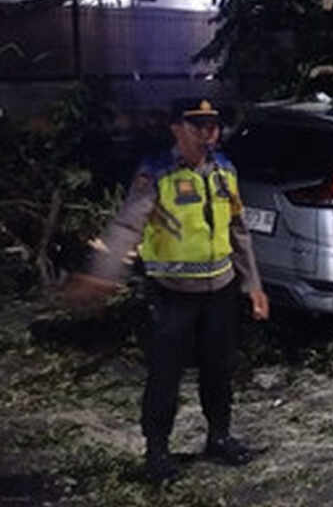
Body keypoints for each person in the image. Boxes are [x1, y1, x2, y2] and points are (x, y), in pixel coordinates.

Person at [64, 98, 270, 483]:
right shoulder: (156, 174)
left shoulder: (225, 171)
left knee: (219, 370)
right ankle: (156, 452)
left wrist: (253, 285)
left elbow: (238, 231)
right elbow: (128, 228)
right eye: (198, 125)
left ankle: (219, 437)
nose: (208, 133)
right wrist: (104, 274)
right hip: (172, 295)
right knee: (165, 375)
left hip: (220, 291)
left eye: (213, 125)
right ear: (176, 128)